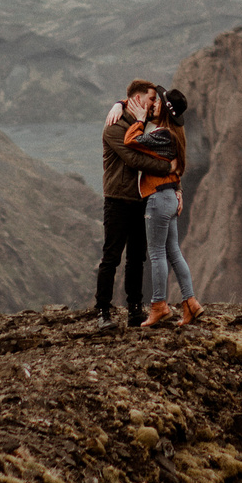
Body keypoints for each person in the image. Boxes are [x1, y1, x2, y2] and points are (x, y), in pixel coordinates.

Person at [94, 80, 173, 330]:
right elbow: (134, 158)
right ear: (138, 100)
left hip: (140, 200)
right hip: (118, 200)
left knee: (137, 258)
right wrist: (167, 169)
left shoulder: (137, 125)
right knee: (112, 258)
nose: (153, 105)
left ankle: (134, 311)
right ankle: (102, 312)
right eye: (150, 100)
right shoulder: (115, 128)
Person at [127, 86, 201, 327]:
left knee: (157, 253)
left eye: (159, 102)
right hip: (169, 197)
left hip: (157, 199)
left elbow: (131, 140)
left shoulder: (163, 134)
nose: (155, 104)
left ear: (166, 110)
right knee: (174, 253)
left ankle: (159, 306)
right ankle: (190, 304)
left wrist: (139, 119)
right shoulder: (175, 134)